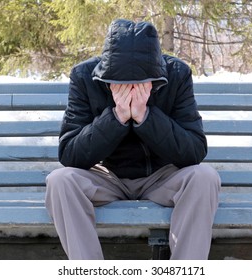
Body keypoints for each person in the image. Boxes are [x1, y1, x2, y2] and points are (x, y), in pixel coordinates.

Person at [45, 19, 221, 260]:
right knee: (60, 181)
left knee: (204, 177)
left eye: (139, 84)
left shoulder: (176, 74)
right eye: (120, 84)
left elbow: (194, 151)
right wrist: (116, 117)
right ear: (106, 76)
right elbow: (70, 154)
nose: (129, 89)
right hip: (106, 177)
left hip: (162, 177)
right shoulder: (85, 76)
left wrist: (145, 117)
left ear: (156, 76)